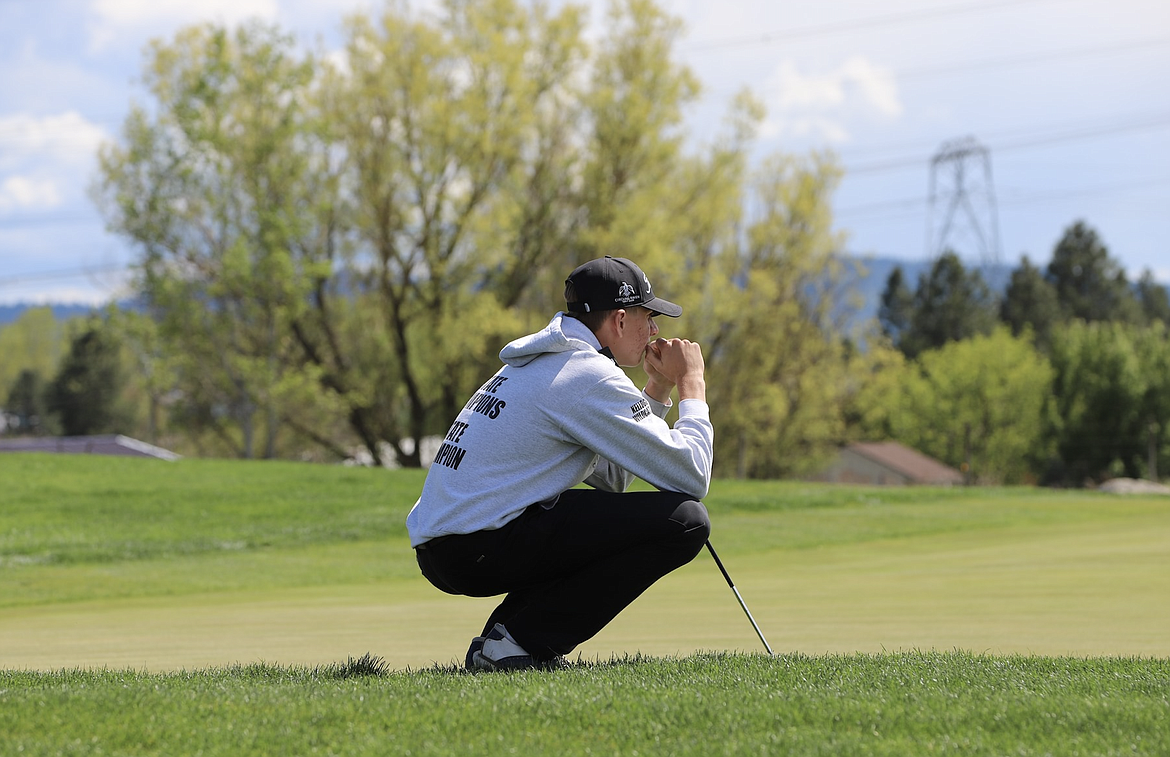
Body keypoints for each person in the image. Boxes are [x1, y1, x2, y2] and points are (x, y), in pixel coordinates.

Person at [406, 255, 713, 671]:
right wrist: (692, 385)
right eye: (648, 316)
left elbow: (612, 479)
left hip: (450, 548)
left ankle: (504, 642)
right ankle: (517, 643)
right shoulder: (587, 372)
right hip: (475, 546)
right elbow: (691, 476)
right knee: (686, 520)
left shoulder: (551, 360)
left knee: (579, 519)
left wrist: (657, 390)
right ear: (620, 321)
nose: (656, 330)